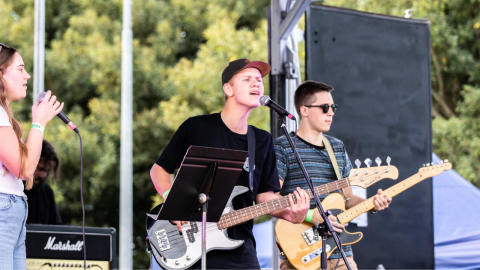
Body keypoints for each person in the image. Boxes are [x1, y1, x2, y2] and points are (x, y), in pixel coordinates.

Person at [150, 58, 310, 269]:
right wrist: (172, 203)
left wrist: (293, 214)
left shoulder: (261, 140)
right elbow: (159, 169)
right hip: (193, 244)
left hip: (240, 249)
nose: (257, 84)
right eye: (247, 79)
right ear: (228, 89)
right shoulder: (197, 127)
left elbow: (264, 197)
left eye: (258, 80)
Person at [274, 81, 393, 270]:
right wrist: (311, 216)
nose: (331, 112)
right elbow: (271, 200)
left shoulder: (337, 147)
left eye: (333, 107)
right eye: (324, 107)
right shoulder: (282, 147)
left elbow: (347, 198)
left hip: (341, 252)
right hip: (300, 254)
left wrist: (373, 203)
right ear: (304, 111)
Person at [0, 43, 64, 269]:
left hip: (12, 210)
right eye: (20, 69)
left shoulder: (5, 118)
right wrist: (39, 122)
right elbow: (25, 170)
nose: (26, 75)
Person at [24, 140, 62, 225]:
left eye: (46, 171)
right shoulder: (12, 188)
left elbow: (57, 227)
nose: (43, 175)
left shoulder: (47, 192)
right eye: (40, 169)